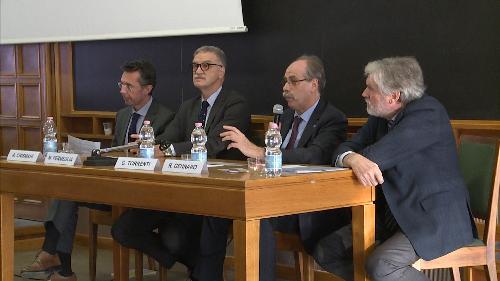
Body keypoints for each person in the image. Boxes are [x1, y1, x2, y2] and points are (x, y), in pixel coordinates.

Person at [192, 55, 349, 281]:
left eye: (293, 81)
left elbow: (314, 155)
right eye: (284, 81)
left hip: (307, 205)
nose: (285, 88)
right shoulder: (284, 117)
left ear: (314, 84)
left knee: (259, 214)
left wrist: (259, 152)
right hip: (271, 193)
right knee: (218, 208)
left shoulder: (332, 119)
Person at [19, 59, 175, 281]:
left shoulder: (166, 116)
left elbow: (164, 158)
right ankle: (61, 265)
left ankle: (52, 256)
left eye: (129, 86)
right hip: (112, 187)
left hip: (142, 192)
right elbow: (113, 153)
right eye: (120, 84)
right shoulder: (122, 115)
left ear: (147, 89)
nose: (122, 90)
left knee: (69, 193)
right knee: (67, 189)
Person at [111, 46, 251, 281]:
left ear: (221, 72)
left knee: (177, 236)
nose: (198, 70)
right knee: (124, 229)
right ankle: (194, 262)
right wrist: (150, 144)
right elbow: (169, 137)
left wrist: (168, 149)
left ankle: (202, 271)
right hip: (181, 189)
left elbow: (216, 144)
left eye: (205, 65)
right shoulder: (189, 106)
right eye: (195, 65)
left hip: (219, 192)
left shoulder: (236, 103)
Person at [333, 56, 476, 281]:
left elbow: (377, 157)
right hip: (397, 213)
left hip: (435, 217)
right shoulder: (380, 118)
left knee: (382, 264)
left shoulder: (428, 112)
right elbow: (343, 148)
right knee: (327, 250)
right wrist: (351, 158)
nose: (363, 93)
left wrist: (358, 157)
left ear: (394, 96)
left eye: (370, 88)